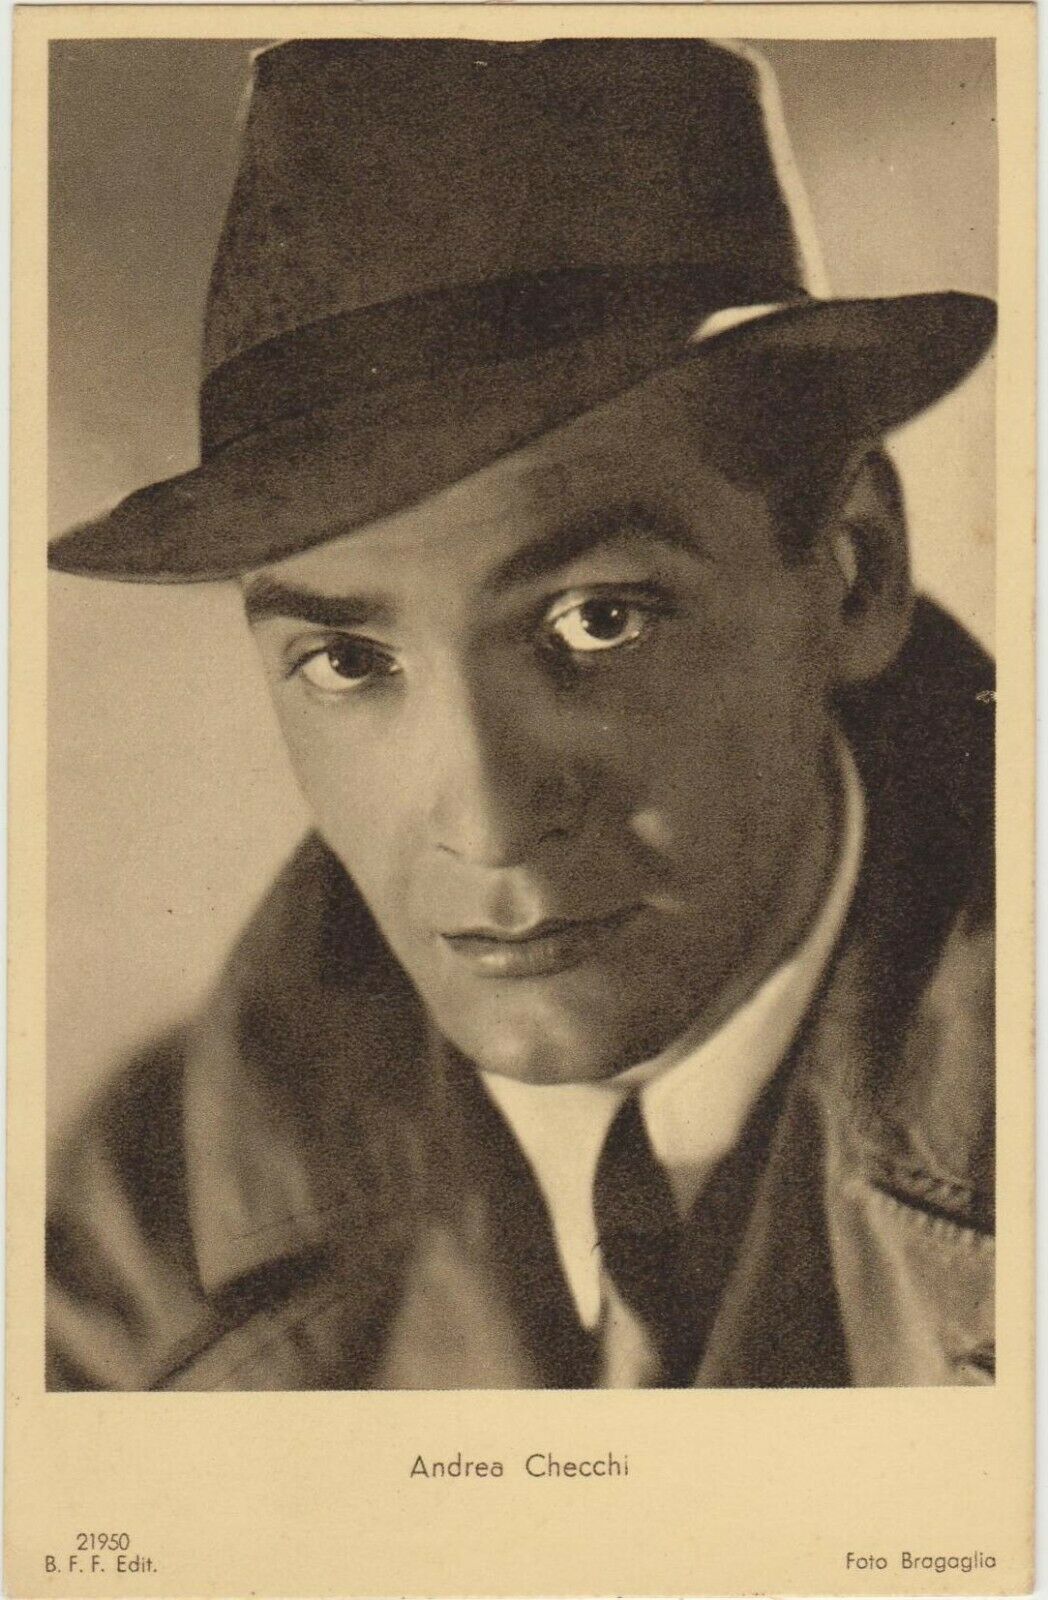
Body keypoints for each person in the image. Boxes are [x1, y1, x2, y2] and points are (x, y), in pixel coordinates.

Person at [46, 37, 996, 1391]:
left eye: (598, 620)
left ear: (854, 574)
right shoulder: (135, 1237)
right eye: (348, 661)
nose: (489, 824)